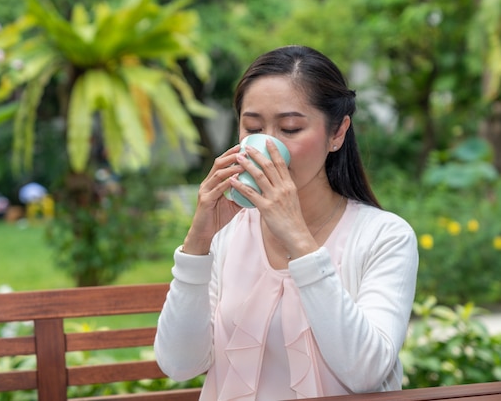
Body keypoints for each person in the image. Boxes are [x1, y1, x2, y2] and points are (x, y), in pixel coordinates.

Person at [154, 45, 419, 400]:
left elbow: (366, 372)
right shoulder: (228, 234)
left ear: (337, 133)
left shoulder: (385, 236)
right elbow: (179, 364)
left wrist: (298, 239)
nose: (266, 145)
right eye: (253, 128)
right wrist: (197, 245)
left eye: (290, 128)